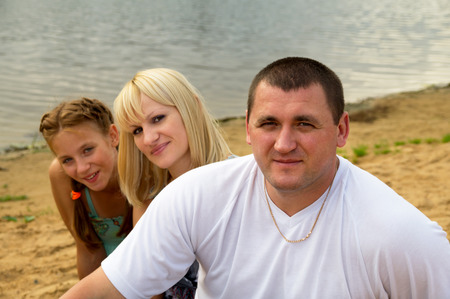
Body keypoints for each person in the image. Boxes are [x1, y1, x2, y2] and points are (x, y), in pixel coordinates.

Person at [61, 57, 450, 298]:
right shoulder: (193, 196)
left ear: (342, 130)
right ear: (247, 128)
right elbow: (105, 290)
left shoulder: (402, 235)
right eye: (268, 123)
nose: (284, 143)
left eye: (304, 123)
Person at [113, 68, 233, 298]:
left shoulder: (241, 182)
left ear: (192, 108)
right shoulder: (148, 201)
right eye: (137, 130)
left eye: (157, 119)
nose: (148, 139)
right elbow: (151, 290)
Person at [39, 98, 133, 279]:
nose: (81, 168)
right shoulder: (61, 175)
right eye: (67, 160)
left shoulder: (140, 169)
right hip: (107, 277)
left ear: (113, 136)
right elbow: (88, 250)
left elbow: (150, 257)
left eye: (88, 149)